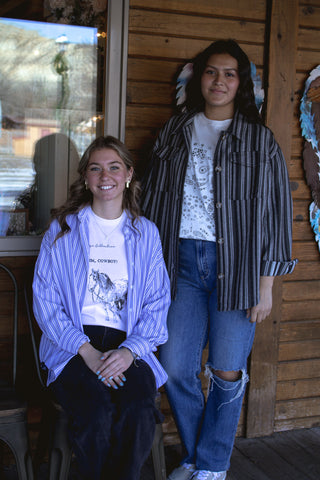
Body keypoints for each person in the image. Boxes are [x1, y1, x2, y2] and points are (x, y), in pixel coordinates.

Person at [140, 39, 297, 480]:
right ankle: (196, 456)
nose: (220, 81)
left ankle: (211, 467)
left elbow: (276, 214)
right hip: (180, 266)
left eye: (230, 74)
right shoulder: (174, 131)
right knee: (173, 367)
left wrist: (266, 285)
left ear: (241, 83)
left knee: (227, 371)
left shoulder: (258, 139)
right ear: (199, 78)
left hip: (239, 270)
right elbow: (153, 199)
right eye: (212, 71)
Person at [33, 135, 170, 480]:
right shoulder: (62, 231)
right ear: (86, 177)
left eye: (113, 167)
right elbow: (46, 302)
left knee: (138, 409)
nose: (105, 175)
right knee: (96, 411)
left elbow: (157, 303)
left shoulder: (146, 234)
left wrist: (129, 352)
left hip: (129, 346)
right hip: (74, 345)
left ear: (128, 174)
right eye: (95, 168)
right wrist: (87, 352)